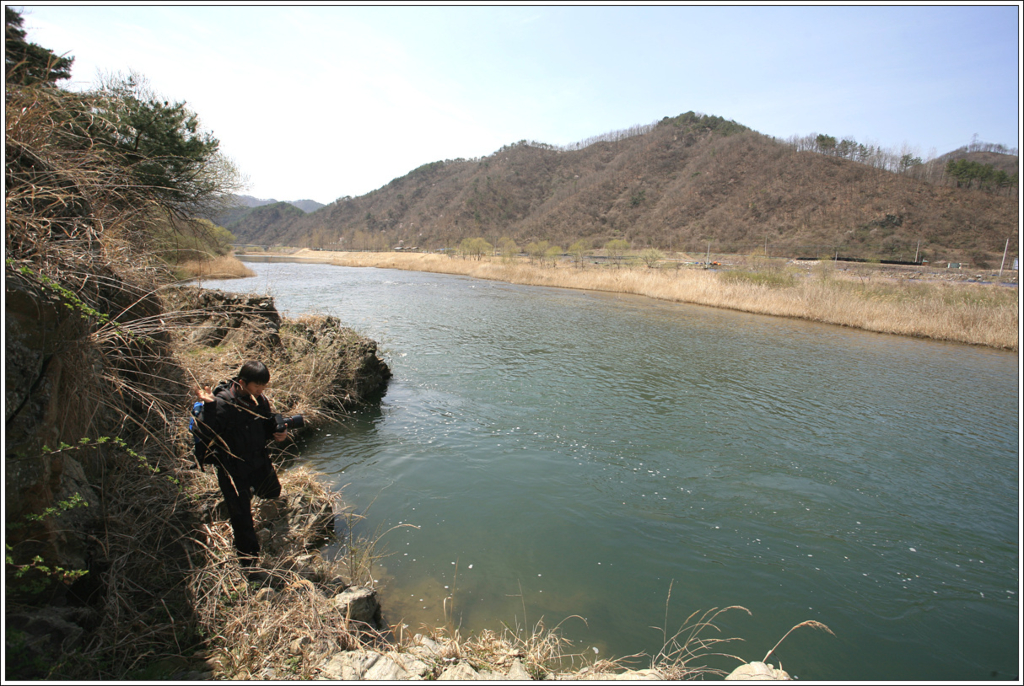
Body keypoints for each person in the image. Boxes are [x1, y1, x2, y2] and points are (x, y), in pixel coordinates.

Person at [194, 360, 288, 564]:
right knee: (242, 517)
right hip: (233, 469)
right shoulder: (221, 403)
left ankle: (253, 497)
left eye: (264, 386)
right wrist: (209, 407)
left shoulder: (258, 400)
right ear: (242, 382)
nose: (261, 390)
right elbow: (204, 432)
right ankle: (249, 561)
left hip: (257, 459)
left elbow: (263, 427)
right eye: (257, 386)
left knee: (272, 492)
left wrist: (278, 433)